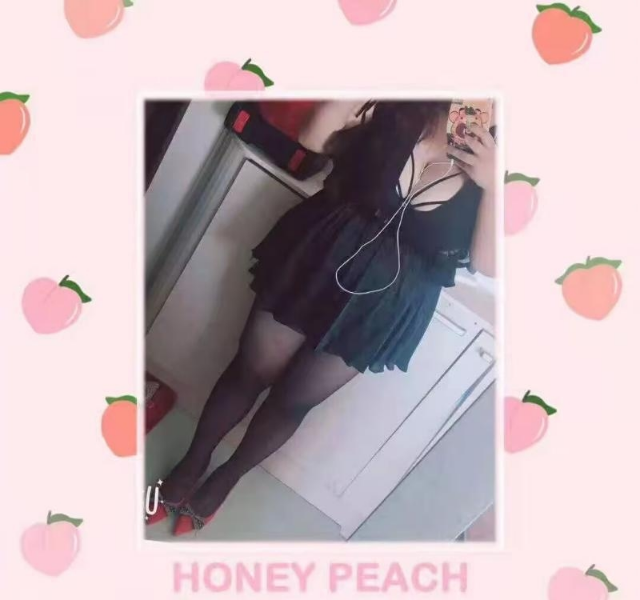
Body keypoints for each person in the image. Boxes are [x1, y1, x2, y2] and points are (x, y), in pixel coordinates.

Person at [148, 100, 497, 535]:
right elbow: (313, 138)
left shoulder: (500, 165)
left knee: (292, 402)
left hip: (384, 304)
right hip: (317, 257)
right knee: (248, 371)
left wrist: (493, 185)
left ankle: (226, 478)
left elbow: (487, 263)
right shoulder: (401, 105)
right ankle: (191, 463)